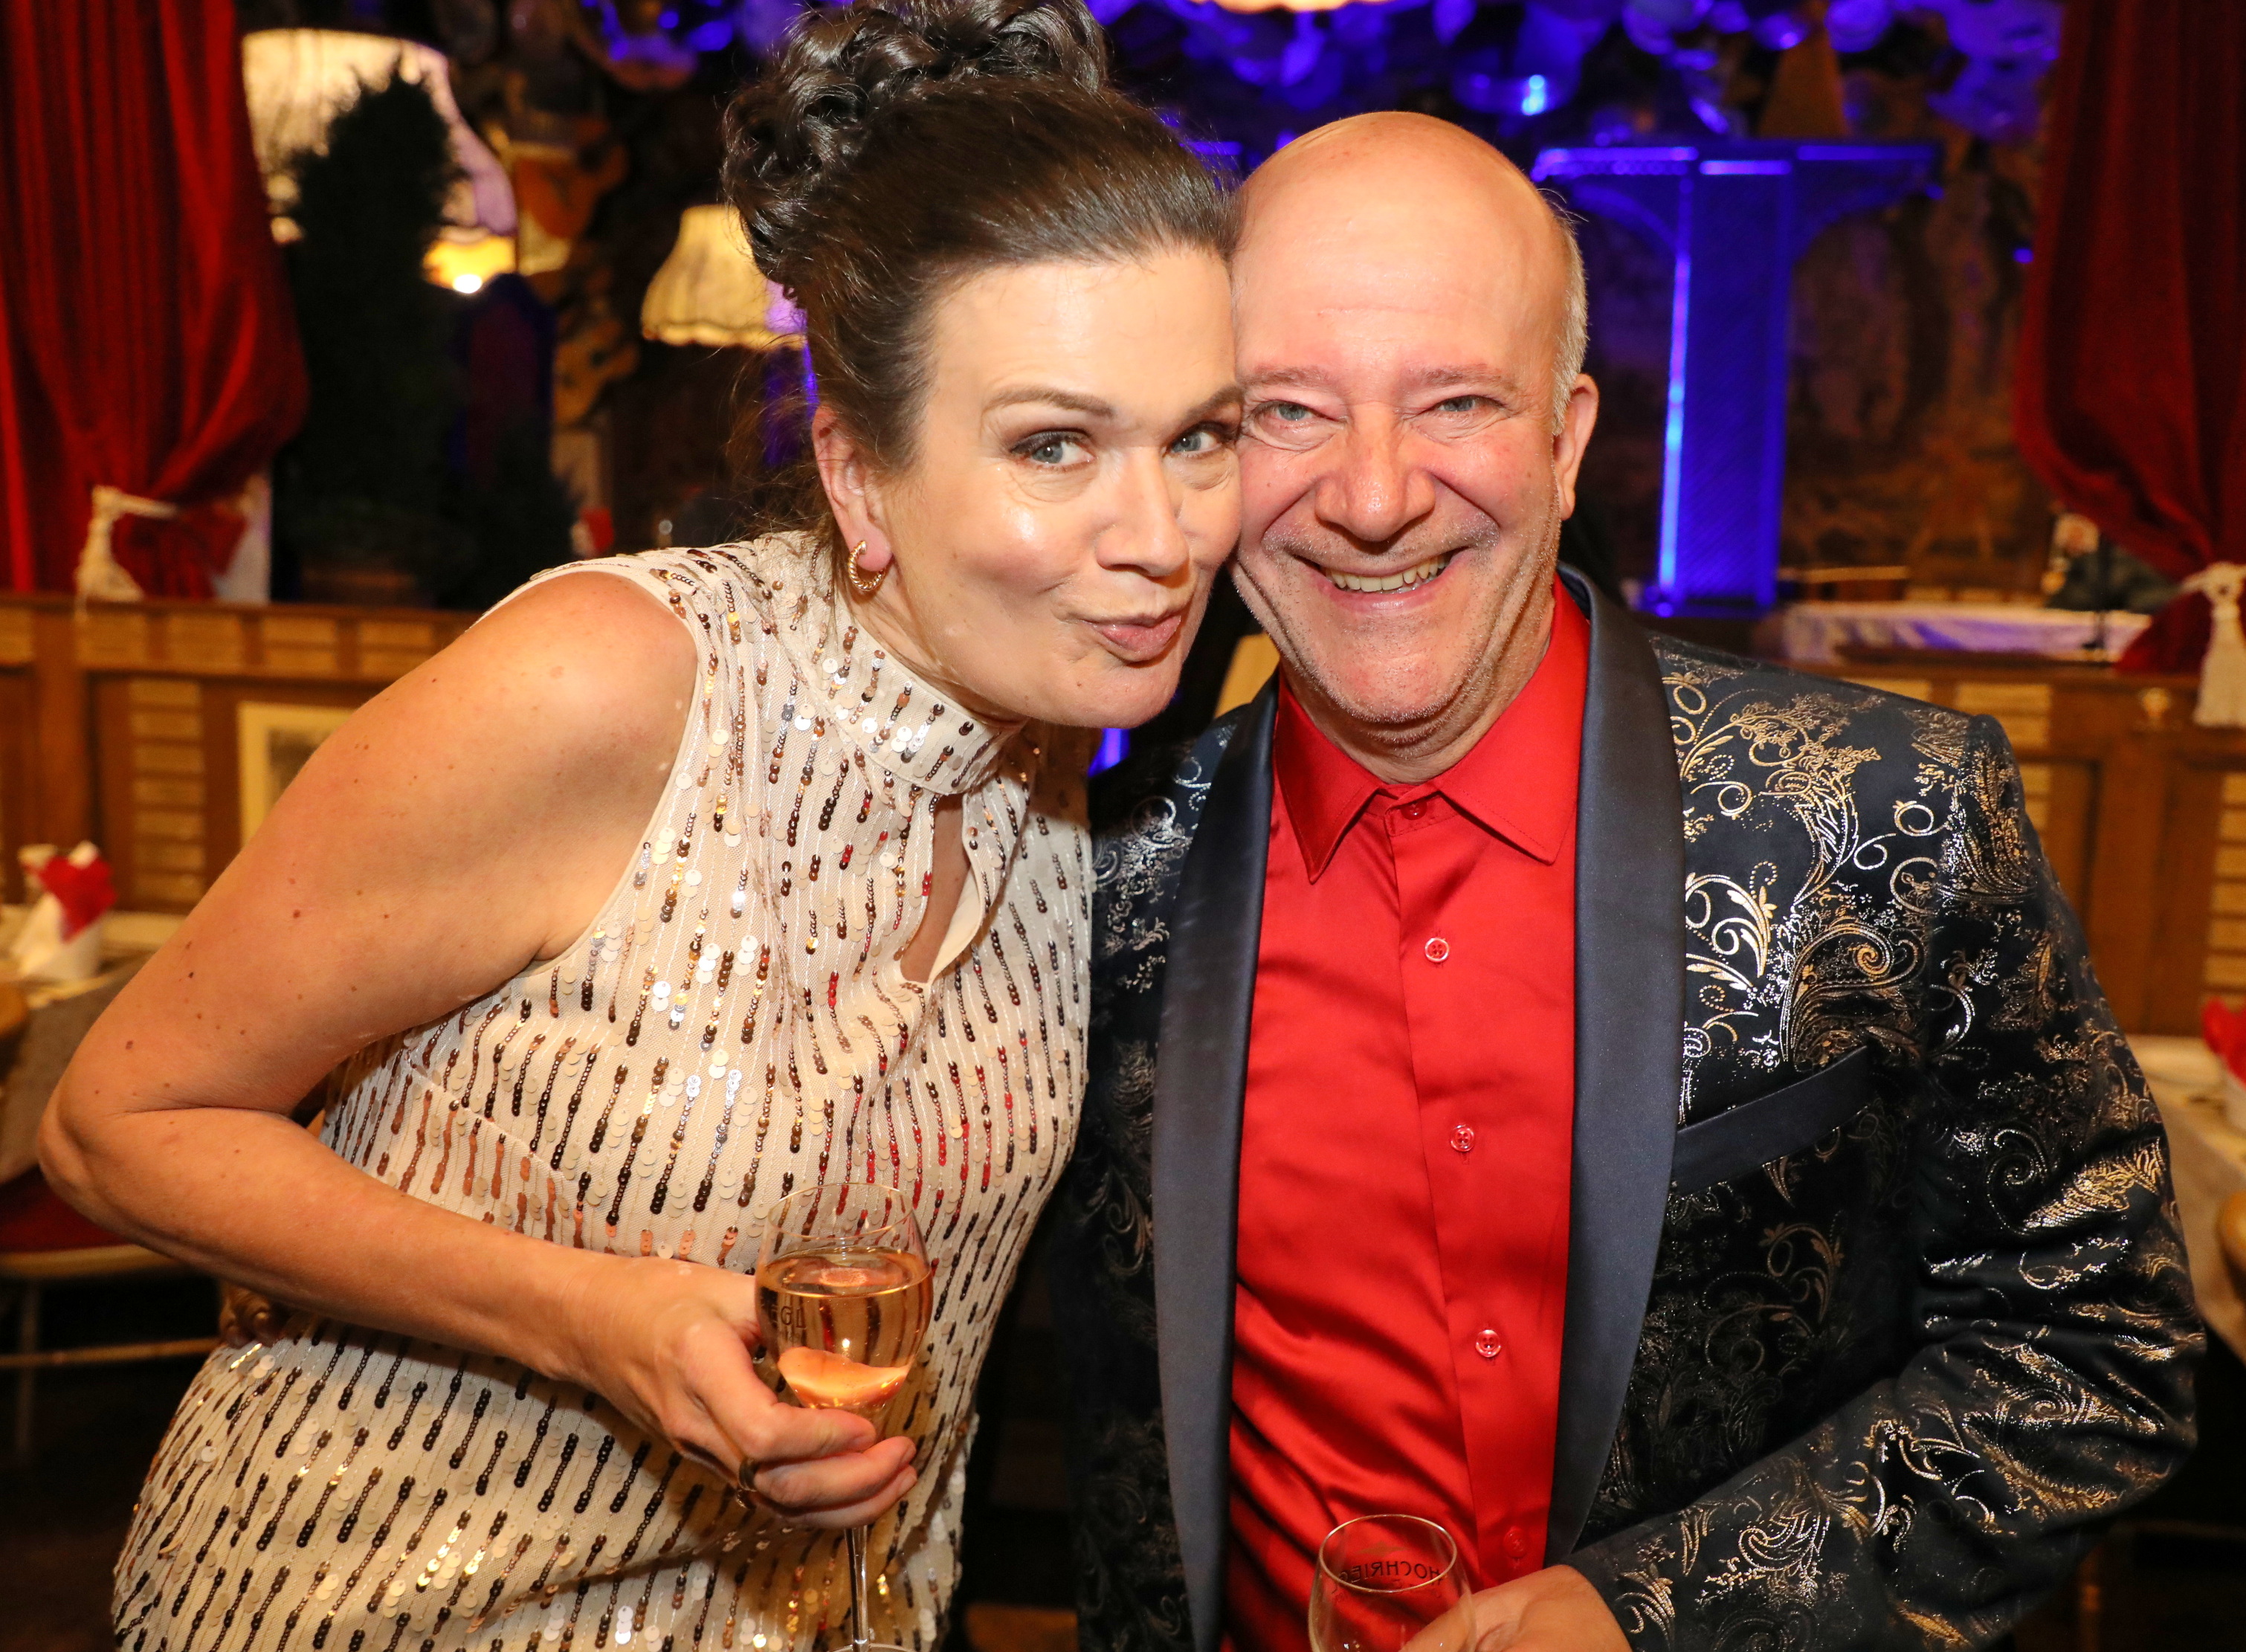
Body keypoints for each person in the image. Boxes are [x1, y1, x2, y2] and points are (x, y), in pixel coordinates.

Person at [41, 2, 1239, 1646]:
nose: (1163, 535)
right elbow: (118, 1123)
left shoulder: (1058, 759)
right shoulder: (612, 682)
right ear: (858, 475)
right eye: (1054, 445)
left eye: (1199, 437)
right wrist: (586, 1316)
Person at [1051, 112, 2200, 1652]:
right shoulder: (1088, 878)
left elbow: (2095, 1343)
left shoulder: (1885, 817)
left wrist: (1650, 1614)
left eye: (1455, 400)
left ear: (1565, 436)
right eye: (1286, 413)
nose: (1372, 495)